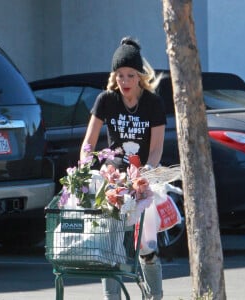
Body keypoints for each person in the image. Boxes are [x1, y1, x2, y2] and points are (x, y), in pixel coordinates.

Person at [80, 36, 166, 300]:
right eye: (120, 75)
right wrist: (82, 173)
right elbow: (89, 142)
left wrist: (147, 172)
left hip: (141, 180)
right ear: (114, 76)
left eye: (130, 75)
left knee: (147, 247)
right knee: (110, 246)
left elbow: (156, 147)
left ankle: (154, 296)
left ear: (140, 76)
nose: (125, 81)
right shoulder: (106, 100)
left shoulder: (152, 103)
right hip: (112, 180)